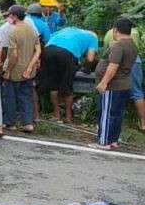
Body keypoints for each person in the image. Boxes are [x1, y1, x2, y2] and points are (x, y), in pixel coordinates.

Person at [93, 17, 140, 150]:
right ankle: (113, 140)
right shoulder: (132, 45)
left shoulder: (119, 45)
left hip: (113, 85)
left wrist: (103, 82)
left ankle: (103, 141)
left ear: (115, 30)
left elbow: (113, 66)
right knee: (117, 114)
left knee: (107, 113)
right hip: (124, 84)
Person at [42, 27, 99, 123]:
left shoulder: (68, 29)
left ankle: (56, 115)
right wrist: (86, 68)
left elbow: (48, 39)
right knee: (67, 86)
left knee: (53, 86)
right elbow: (90, 59)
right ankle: (68, 117)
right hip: (67, 54)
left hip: (48, 50)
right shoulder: (93, 38)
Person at [0, 5, 41, 133]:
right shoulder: (32, 30)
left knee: (10, 96)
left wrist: (8, 71)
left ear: (14, 16)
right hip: (29, 70)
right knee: (26, 96)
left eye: (10, 15)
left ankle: (10, 123)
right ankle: (27, 123)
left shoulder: (12, 31)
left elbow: (13, 55)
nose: (8, 18)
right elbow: (38, 50)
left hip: (16, 69)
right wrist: (30, 67)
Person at [103, 26, 145, 132]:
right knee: (137, 92)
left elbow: (106, 50)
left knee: (116, 89)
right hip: (135, 61)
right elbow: (137, 47)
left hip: (116, 61)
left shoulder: (109, 33)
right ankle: (143, 123)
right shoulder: (134, 32)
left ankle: (113, 122)